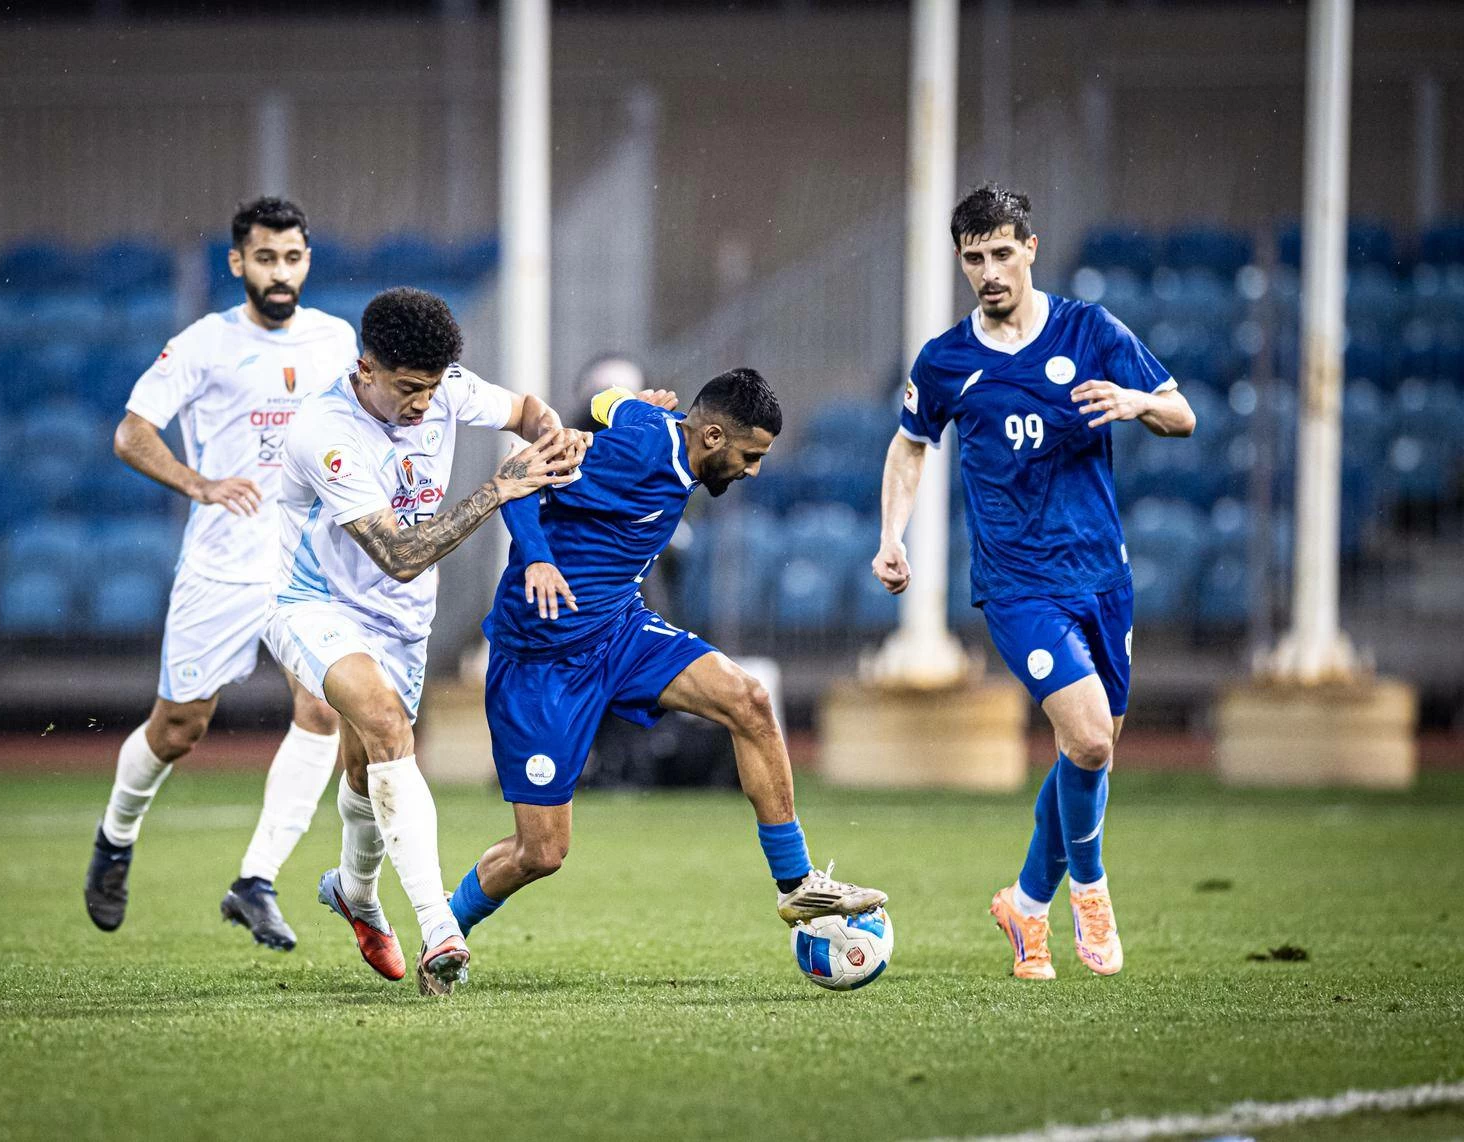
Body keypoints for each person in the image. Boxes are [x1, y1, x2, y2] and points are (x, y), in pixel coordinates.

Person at [871, 184, 1196, 981]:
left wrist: (1132, 404)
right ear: (960, 261)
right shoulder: (946, 361)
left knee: (1092, 752)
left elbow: (1182, 413)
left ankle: (1024, 902)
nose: (988, 270)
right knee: (1087, 739)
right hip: (1018, 585)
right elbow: (911, 445)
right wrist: (891, 536)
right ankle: (1089, 891)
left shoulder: (1092, 331)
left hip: (1102, 578)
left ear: (1031, 249)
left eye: (1001, 253)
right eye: (973, 257)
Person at [445, 369, 887, 947]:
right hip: (543, 657)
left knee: (749, 700)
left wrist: (627, 403)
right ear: (710, 439)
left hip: (621, 630)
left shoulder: (650, 424)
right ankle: (444, 927)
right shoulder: (636, 452)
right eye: (749, 455)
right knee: (542, 851)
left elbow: (609, 403)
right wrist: (535, 558)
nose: (753, 470)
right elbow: (521, 478)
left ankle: (796, 883)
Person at [264, 286, 583, 996]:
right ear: (365, 366)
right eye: (407, 389)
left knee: (364, 770)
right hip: (312, 603)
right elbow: (402, 554)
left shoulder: (446, 391)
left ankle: (354, 889)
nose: (421, 404)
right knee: (384, 725)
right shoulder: (326, 431)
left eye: (432, 389)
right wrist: (498, 490)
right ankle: (440, 924)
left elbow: (528, 411)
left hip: (403, 623)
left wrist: (552, 440)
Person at [85, 197, 358, 952]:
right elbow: (131, 432)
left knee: (323, 711)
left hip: (305, 566)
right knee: (179, 729)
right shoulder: (204, 343)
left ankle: (256, 880)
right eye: (265, 259)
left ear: (308, 261)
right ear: (238, 263)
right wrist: (200, 483)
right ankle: (115, 837)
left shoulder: (337, 341)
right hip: (222, 565)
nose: (280, 273)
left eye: (293, 258)